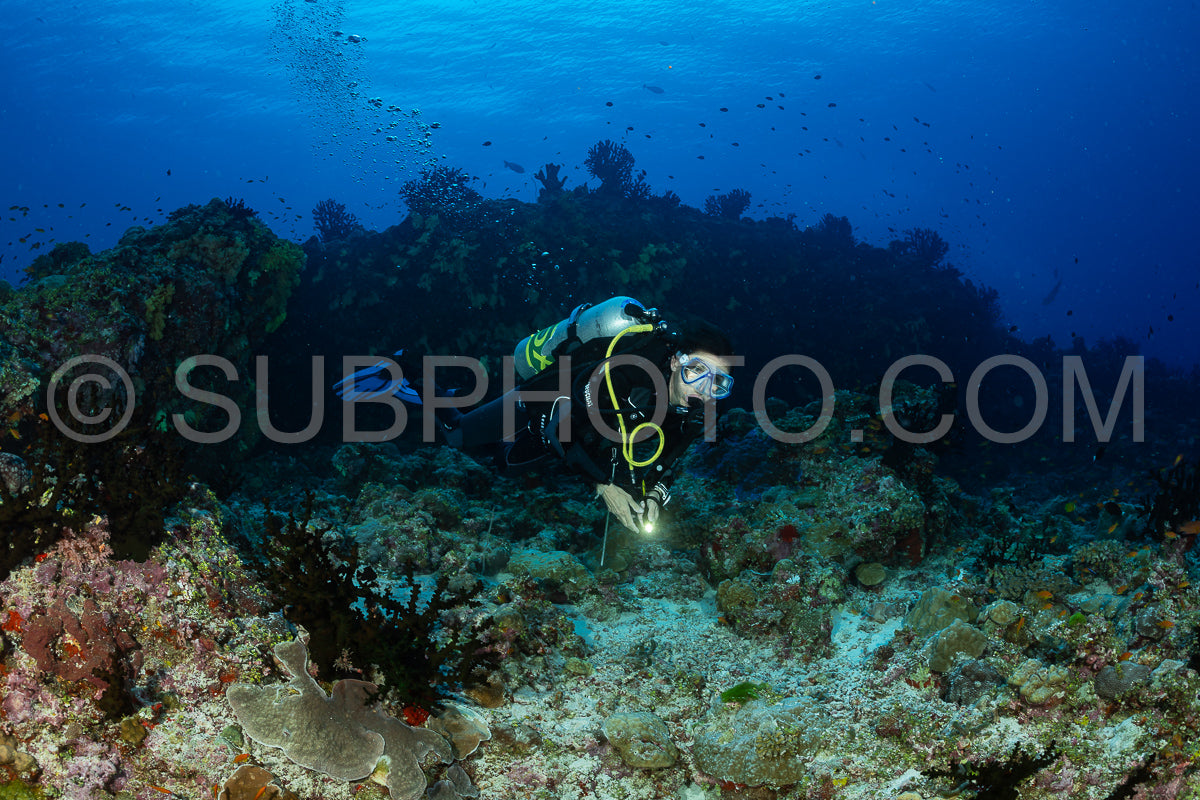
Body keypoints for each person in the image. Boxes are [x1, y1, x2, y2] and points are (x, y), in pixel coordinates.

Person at [336, 297, 735, 535]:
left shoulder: (688, 412)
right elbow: (562, 424)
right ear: (676, 360)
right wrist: (603, 487)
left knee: (505, 461)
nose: (703, 389)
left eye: (718, 383)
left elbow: (667, 465)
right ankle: (406, 374)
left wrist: (652, 497)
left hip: (574, 430)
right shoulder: (627, 372)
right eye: (697, 371)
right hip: (542, 397)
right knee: (457, 436)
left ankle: (454, 393)